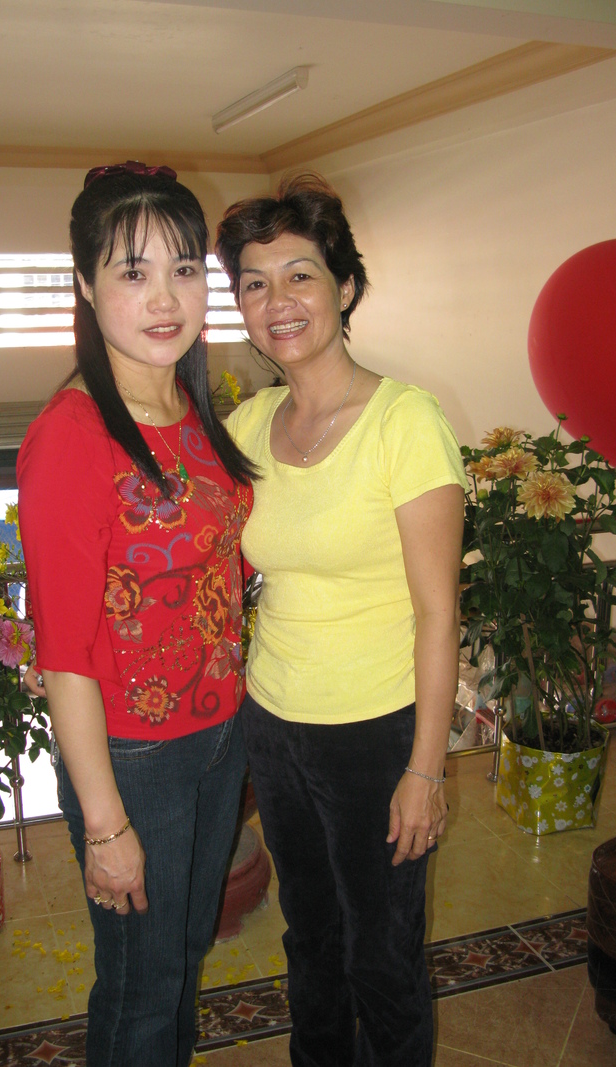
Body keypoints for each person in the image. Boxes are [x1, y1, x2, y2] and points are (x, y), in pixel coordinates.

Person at [215, 174, 466, 1067]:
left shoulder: (406, 422)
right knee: (310, 938)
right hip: (275, 724)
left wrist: (425, 769)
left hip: (376, 730)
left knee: (382, 956)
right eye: (254, 282)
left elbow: (439, 612)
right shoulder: (248, 425)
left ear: (345, 286)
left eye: (300, 275)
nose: (276, 301)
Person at [17, 161, 256, 1067]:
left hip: (217, 734)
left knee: (183, 957)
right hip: (134, 757)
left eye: (184, 269)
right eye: (132, 271)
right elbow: (65, 652)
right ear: (85, 284)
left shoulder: (187, 402)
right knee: (142, 989)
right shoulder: (73, 435)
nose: (165, 298)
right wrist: (106, 824)